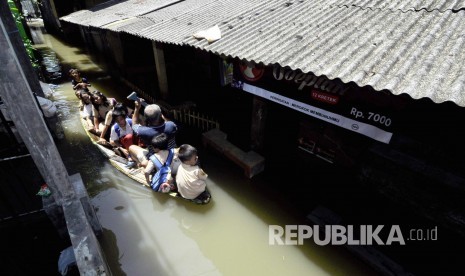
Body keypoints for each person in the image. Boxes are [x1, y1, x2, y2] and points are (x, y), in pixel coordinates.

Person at [128, 98, 177, 168]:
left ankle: (143, 165)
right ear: (161, 115)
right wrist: (162, 116)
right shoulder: (171, 126)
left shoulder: (143, 131)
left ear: (146, 118)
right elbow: (168, 122)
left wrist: (136, 109)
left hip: (156, 157)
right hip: (172, 153)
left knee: (131, 147)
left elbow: (134, 124)